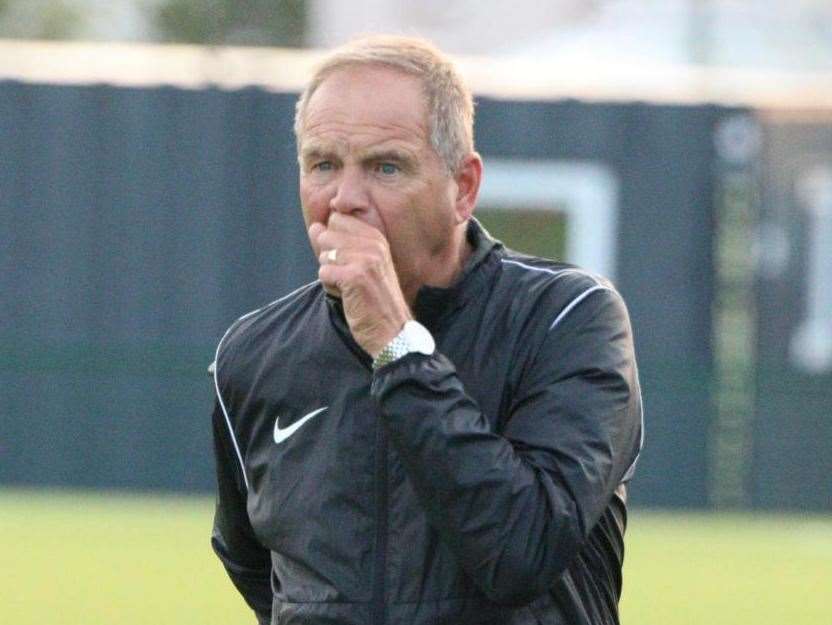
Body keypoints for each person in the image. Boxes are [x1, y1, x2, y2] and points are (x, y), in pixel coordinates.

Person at [210, 35, 643, 625]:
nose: (346, 199)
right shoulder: (254, 356)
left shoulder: (567, 318)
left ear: (462, 187)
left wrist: (397, 345)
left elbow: (521, 552)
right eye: (323, 165)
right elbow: (259, 569)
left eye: (386, 166)